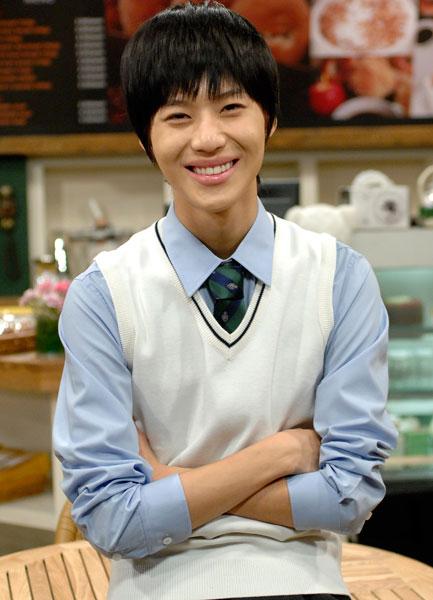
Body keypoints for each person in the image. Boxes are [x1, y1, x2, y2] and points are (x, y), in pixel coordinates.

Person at [53, 2, 398, 599]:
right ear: (146, 138)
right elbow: (111, 520)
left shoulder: (338, 278)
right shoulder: (103, 296)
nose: (208, 138)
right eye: (178, 115)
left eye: (231, 107)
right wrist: (282, 452)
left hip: (303, 588)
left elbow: (349, 497)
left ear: (269, 120)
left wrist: (168, 480)